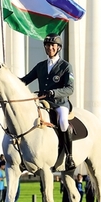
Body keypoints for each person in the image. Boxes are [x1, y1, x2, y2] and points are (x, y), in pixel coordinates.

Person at [20, 33, 75, 171]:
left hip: (60, 103)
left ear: (58, 48)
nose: (50, 47)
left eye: (52, 45)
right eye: (47, 45)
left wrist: (54, 92)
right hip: (43, 102)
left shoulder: (66, 67)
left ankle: (69, 157)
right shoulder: (41, 66)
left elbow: (70, 89)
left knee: (63, 122)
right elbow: (25, 80)